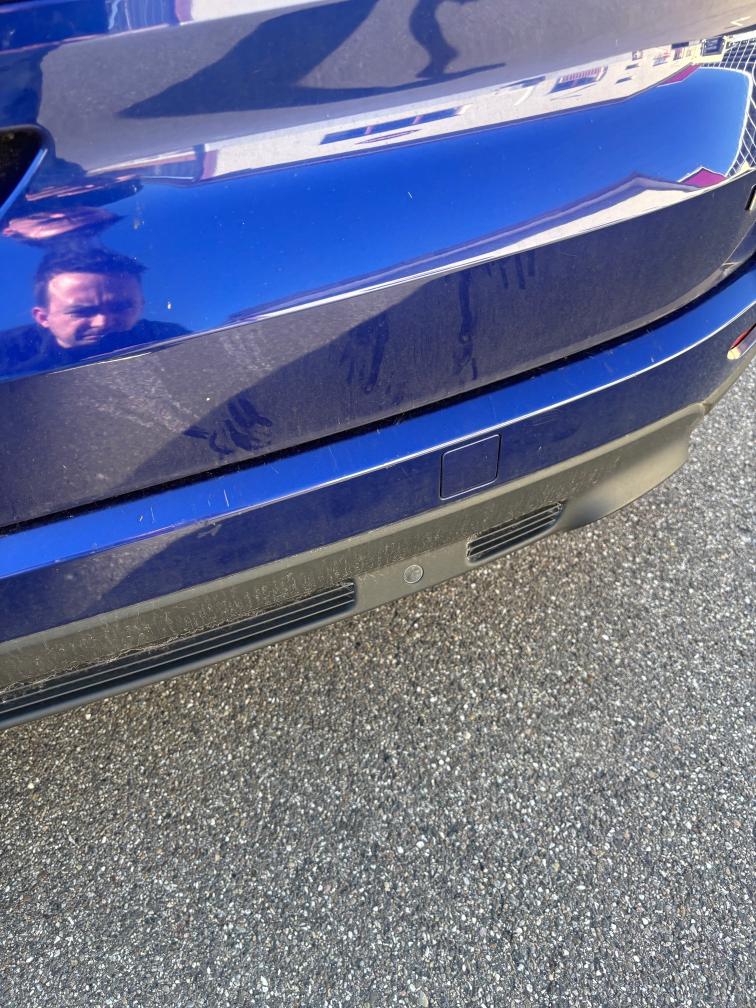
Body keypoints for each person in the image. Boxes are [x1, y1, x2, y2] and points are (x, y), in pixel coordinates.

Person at [0, 247, 187, 376]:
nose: (103, 322)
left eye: (121, 307)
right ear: (43, 318)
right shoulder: (9, 360)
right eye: (82, 311)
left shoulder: (174, 340)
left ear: (141, 306)